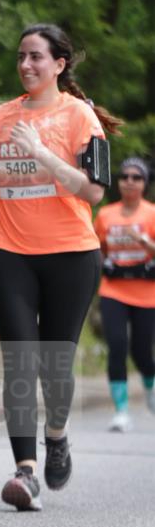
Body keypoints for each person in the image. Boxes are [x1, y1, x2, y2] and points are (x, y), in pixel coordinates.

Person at [0, 23, 122, 511]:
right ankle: (25, 471)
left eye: (36, 57)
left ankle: (56, 435)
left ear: (59, 64)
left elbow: (95, 192)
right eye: (20, 56)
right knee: (20, 360)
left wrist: (40, 152)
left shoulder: (81, 117)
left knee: (56, 366)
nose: (25, 65)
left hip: (70, 254)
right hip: (5, 248)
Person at [94, 157, 155, 431]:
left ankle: (150, 387)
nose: (129, 181)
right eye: (124, 176)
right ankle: (121, 411)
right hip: (113, 289)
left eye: (136, 177)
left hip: (146, 291)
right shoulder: (106, 214)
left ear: (144, 183)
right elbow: (98, 250)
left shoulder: (152, 214)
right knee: (117, 346)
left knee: (141, 351)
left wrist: (143, 241)